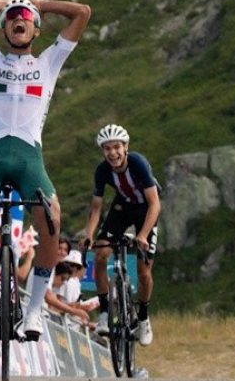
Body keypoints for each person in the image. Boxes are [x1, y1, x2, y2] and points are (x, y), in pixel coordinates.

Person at [0, 0, 91, 337]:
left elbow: (82, 13)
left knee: (51, 224)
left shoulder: (50, 61)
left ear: (37, 28)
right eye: (12, 16)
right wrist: (6, 2)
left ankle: (33, 312)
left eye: (26, 16)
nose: (20, 19)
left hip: (30, 157)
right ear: (3, 28)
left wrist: (37, 2)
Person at [82, 124, 161, 346]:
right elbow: (96, 207)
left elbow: (155, 204)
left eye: (116, 147)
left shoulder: (138, 163)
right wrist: (89, 234)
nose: (112, 153)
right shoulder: (102, 171)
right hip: (122, 208)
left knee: (144, 271)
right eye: (107, 148)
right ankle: (105, 313)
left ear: (125, 147)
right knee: (99, 255)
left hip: (146, 211)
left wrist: (143, 235)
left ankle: (143, 317)